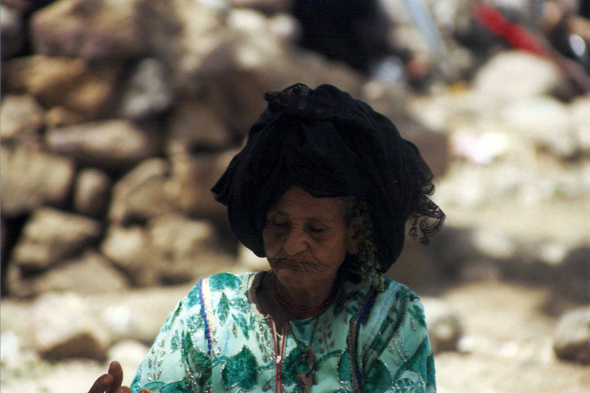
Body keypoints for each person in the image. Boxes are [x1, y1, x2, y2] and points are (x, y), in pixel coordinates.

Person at [89, 83, 445, 393]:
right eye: (279, 224)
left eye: (316, 230)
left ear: (354, 234)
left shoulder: (390, 317)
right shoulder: (209, 311)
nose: (292, 245)